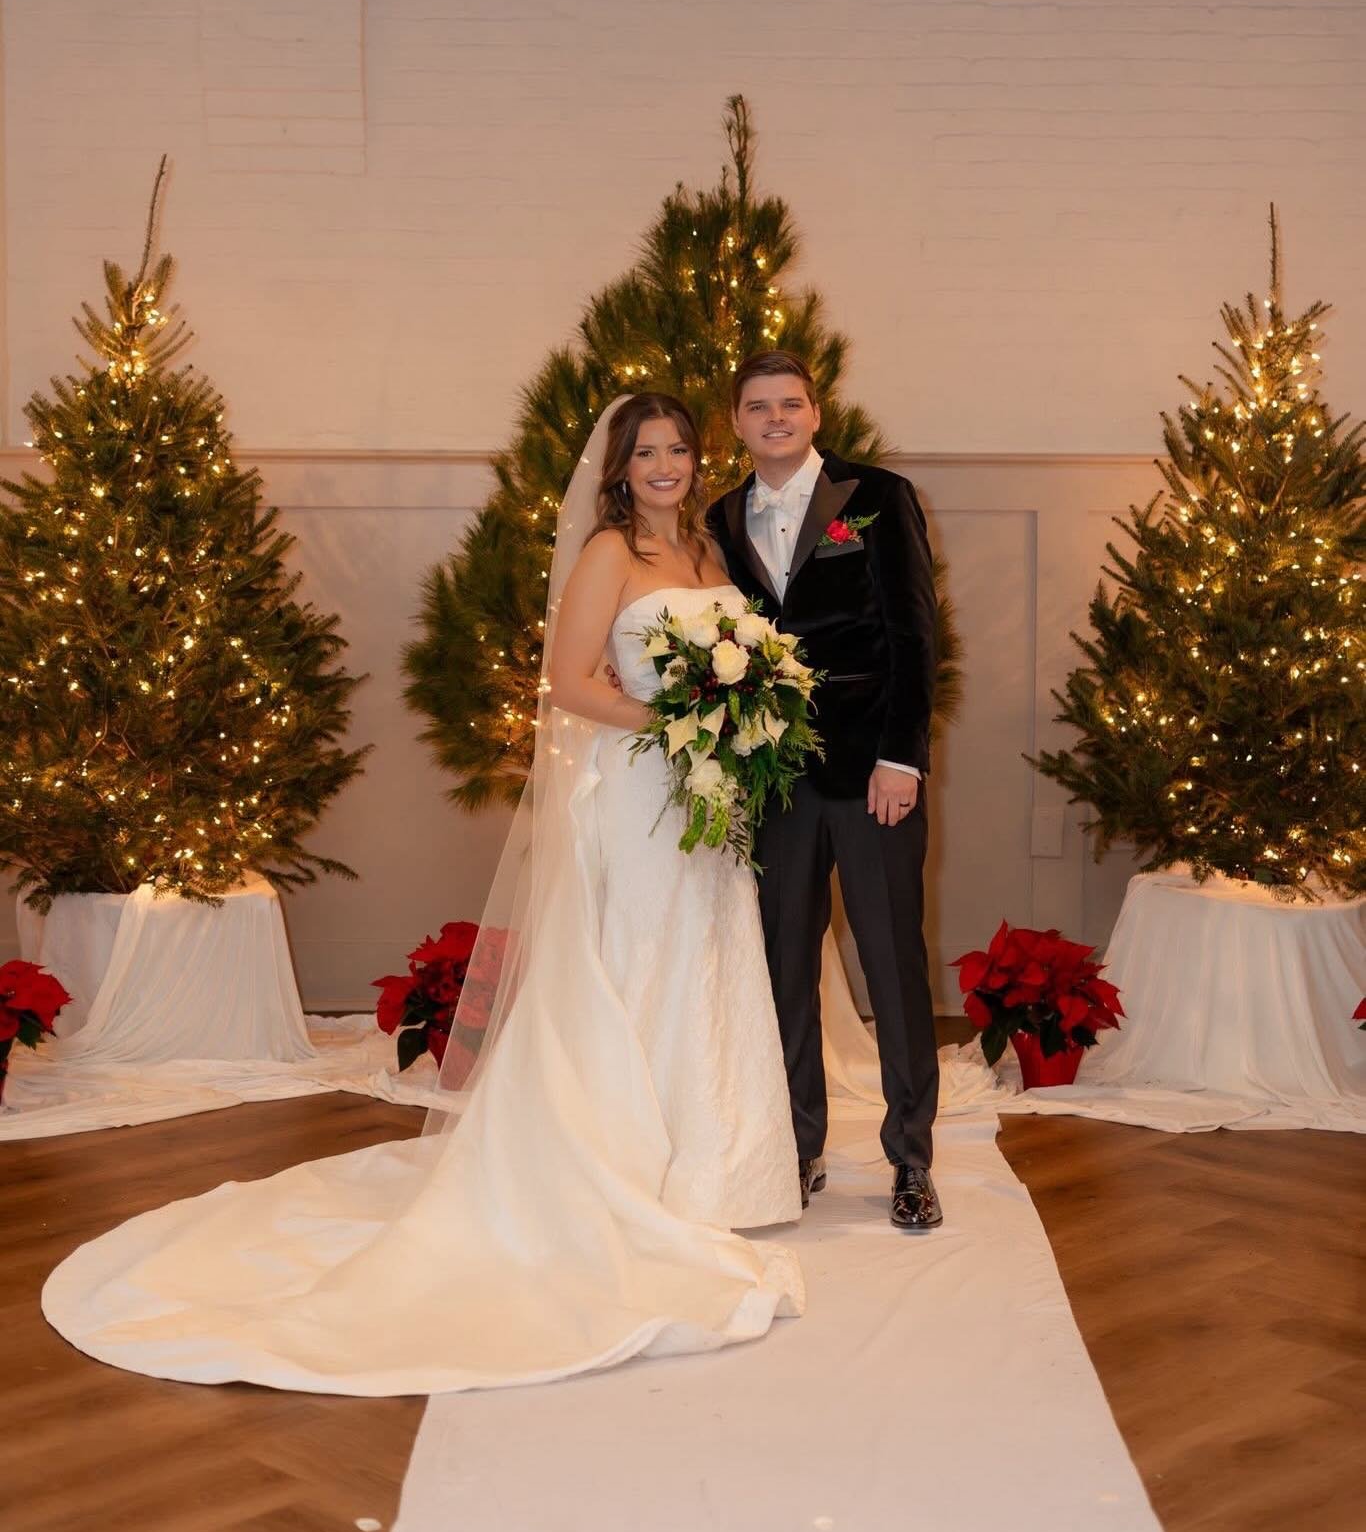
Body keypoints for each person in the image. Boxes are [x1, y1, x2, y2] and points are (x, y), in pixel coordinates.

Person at [41, 394, 804, 1396]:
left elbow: (733, 669)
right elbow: (565, 684)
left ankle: (714, 1170)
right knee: (644, 957)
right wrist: (672, 720)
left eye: (675, 450)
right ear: (617, 470)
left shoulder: (708, 555)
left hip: (709, 796)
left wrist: (736, 718)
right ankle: (627, 1170)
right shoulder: (608, 555)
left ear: (696, 461)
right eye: (644, 453)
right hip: (639, 787)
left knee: (707, 955)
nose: (663, 466)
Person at [708, 352, 943, 1231]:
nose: (776, 418)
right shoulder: (721, 516)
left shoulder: (876, 495)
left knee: (892, 962)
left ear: (815, 412)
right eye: (757, 407)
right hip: (773, 782)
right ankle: (796, 1145)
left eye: (790, 403)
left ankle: (911, 1158)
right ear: (736, 422)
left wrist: (902, 758)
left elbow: (915, 637)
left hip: (871, 773)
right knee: (781, 967)